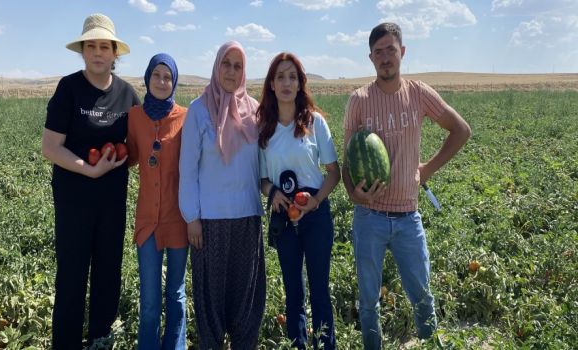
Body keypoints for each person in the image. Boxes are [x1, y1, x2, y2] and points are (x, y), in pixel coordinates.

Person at [342, 23, 471, 349]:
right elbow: (346, 163)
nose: (385, 57)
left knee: (422, 295)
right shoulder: (358, 101)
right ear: (370, 58)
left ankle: (429, 343)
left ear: (402, 52)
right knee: (368, 301)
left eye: (391, 49)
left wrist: (427, 168)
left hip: (407, 217)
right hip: (368, 218)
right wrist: (352, 192)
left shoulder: (418, 93)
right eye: (378, 52)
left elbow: (461, 130)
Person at [41, 13, 140, 349]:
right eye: (92, 46)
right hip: (74, 200)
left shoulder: (127, 95)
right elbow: (50, 147)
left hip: (112, 201)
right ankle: (66, 343)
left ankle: (100, 339)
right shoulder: (69, 89)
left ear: (115, 54)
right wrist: (89, 168)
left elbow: (140, 144)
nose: (98, 53)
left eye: (104, 46)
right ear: (83, 51)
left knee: (108, 272)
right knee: (71, 274)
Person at [178, 41, 265, 349]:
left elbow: (265, 164)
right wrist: (192, 217)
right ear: (216, 67)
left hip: (247, 218)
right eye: (226, 64)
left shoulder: (254, 110)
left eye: (237, 65)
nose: (231, 71)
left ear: (244, 71)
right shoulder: (199, 111)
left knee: (246, 300)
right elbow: (187, 170)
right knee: (210, 303)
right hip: (210, 222)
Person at [257, 52, 340, 349]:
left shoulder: (315, 122)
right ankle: (298, 344)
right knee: (293, 290)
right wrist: (273, 193)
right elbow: (263, 180)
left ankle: (326, 344)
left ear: (300, 83)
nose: (286, 82)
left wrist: (316, 201)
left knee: (319, 288)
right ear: (271, 85)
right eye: (280, 77)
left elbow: (333, 172)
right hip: (284, 216)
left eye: (292, 76)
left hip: (315, 216)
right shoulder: (264, 128)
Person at [127, 53, 188, 349]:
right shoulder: (135, 117)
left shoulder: (185, 117)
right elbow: (127, 156)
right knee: (149, 298)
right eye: (157, 75)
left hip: (178, 221)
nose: (162, 81)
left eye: (168, 76)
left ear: (174, 81)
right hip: (147, 222)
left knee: (176, 293)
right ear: (147, 77)